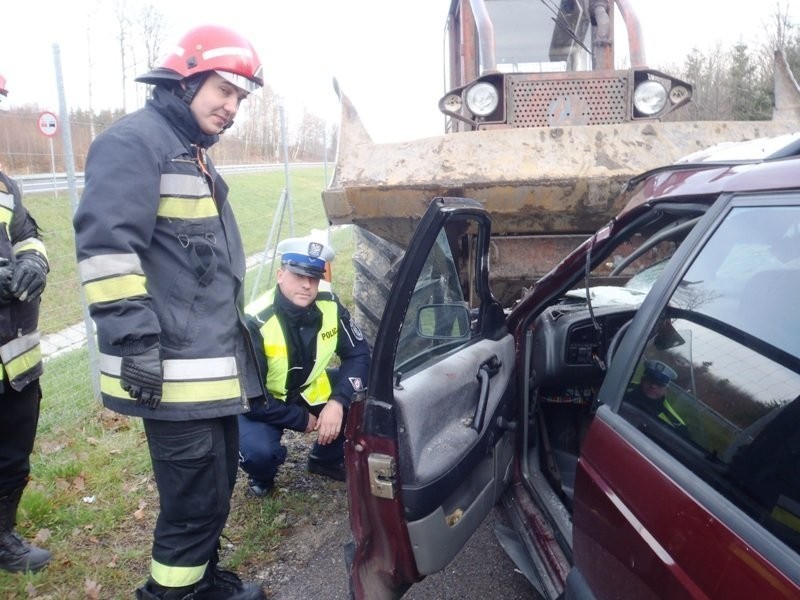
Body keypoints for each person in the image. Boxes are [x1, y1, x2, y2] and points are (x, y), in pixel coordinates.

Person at [72, 26, 267, 600]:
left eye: (240, 98)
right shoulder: (135, 143)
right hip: (172, 370)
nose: (232, 108)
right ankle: (174, 593)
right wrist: (134, 343)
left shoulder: (190, 154)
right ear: (185, 80)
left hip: (205, 367)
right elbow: (107, 250)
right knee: (193, 502)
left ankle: (200, 580)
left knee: (214, 486)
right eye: (224, 90)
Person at [239, 237, 370, 497]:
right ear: (280, 274)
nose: (307, 285)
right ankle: (261, 477)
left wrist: (338, 401)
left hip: (306, 389)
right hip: (261, 403)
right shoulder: (255, 321)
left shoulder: (330, 305)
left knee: (367, 392)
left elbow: (359, 355)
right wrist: (301, 419)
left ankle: (326, 458)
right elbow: (252, 399)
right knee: (260, 453)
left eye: (313, 277)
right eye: (298, 275)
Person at [0, 74, 51, 574]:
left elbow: (28, 234)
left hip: (15, 363)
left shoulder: (3, 183)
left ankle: (2, 539)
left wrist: (34, 261)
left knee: (12, 459)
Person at [624, 359, 686, 430]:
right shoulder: (622, 387)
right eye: (650, 380)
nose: (653, 386)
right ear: (642, 380)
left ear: (666, 390)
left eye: (660, 384)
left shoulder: (675, 422)